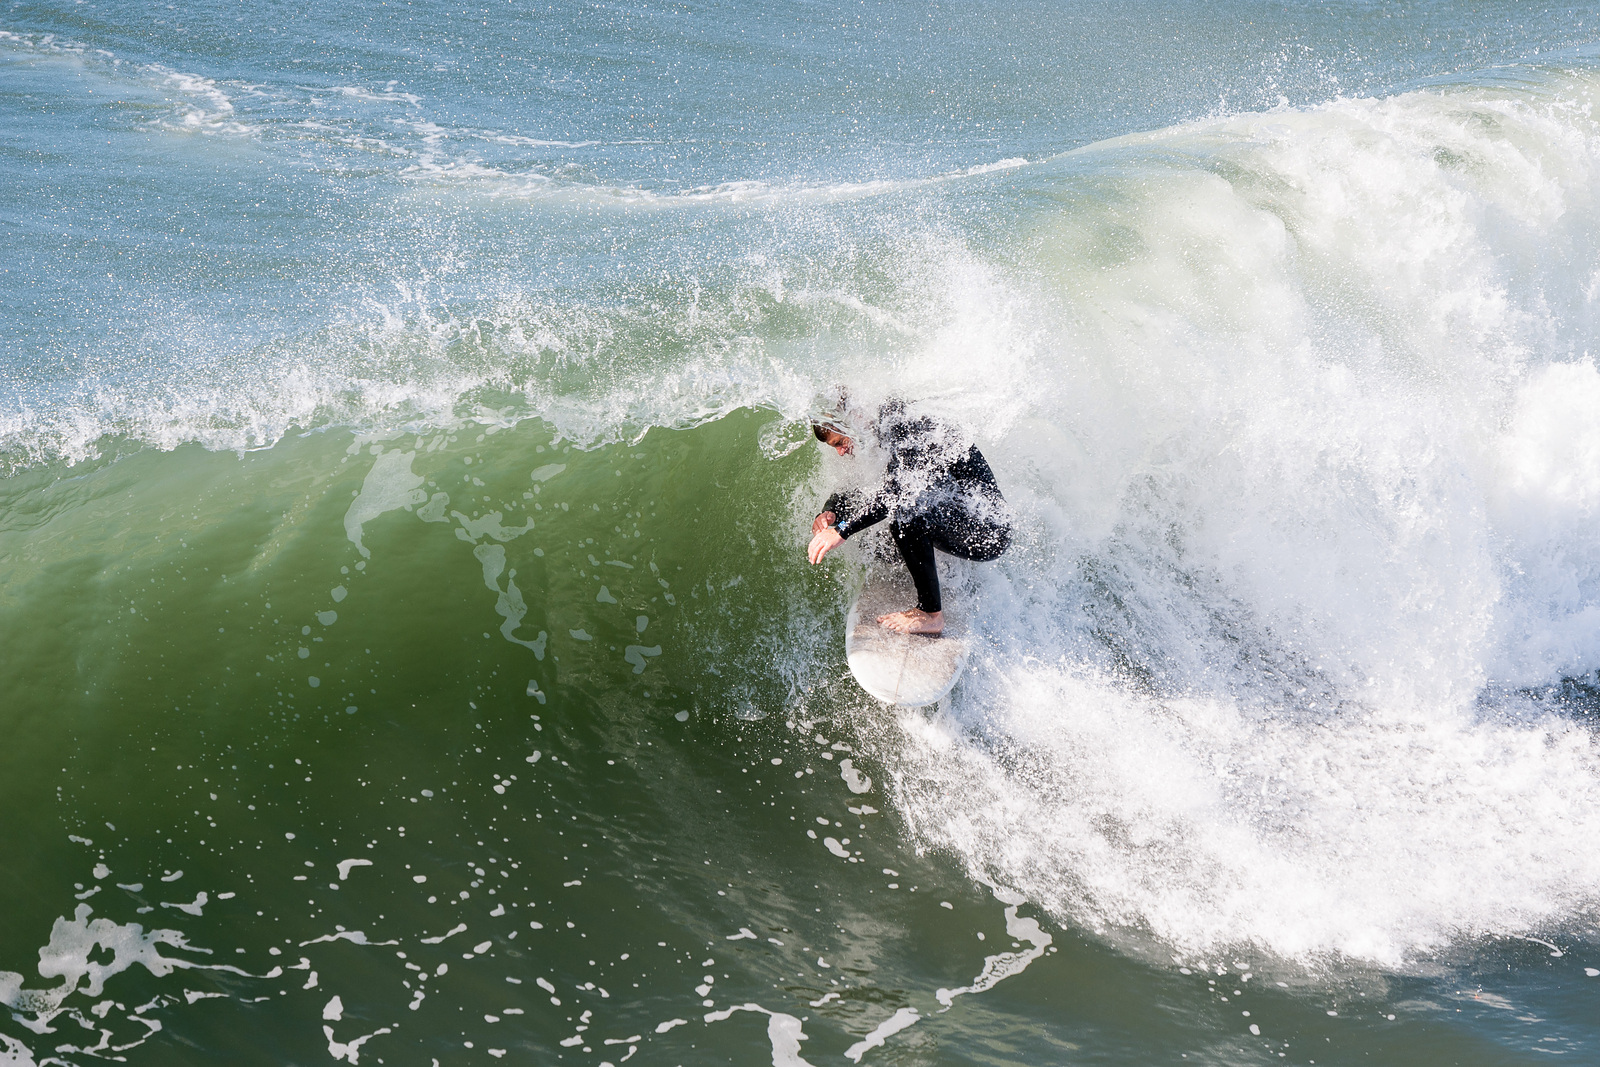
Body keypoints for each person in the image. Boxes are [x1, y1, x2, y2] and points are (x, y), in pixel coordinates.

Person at [807, 397, 1012, 635]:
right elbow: (863, 486)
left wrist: (842, 532)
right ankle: (927, 571)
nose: (841, 452)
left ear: (853, 421)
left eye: (840, 442)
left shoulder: (903, 427)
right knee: (878, 543)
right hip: (957, 514)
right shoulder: (881, 428)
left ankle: (930, 614)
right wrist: (832, 512)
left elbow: (895, 494)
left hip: (986, 532)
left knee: (905, 518)